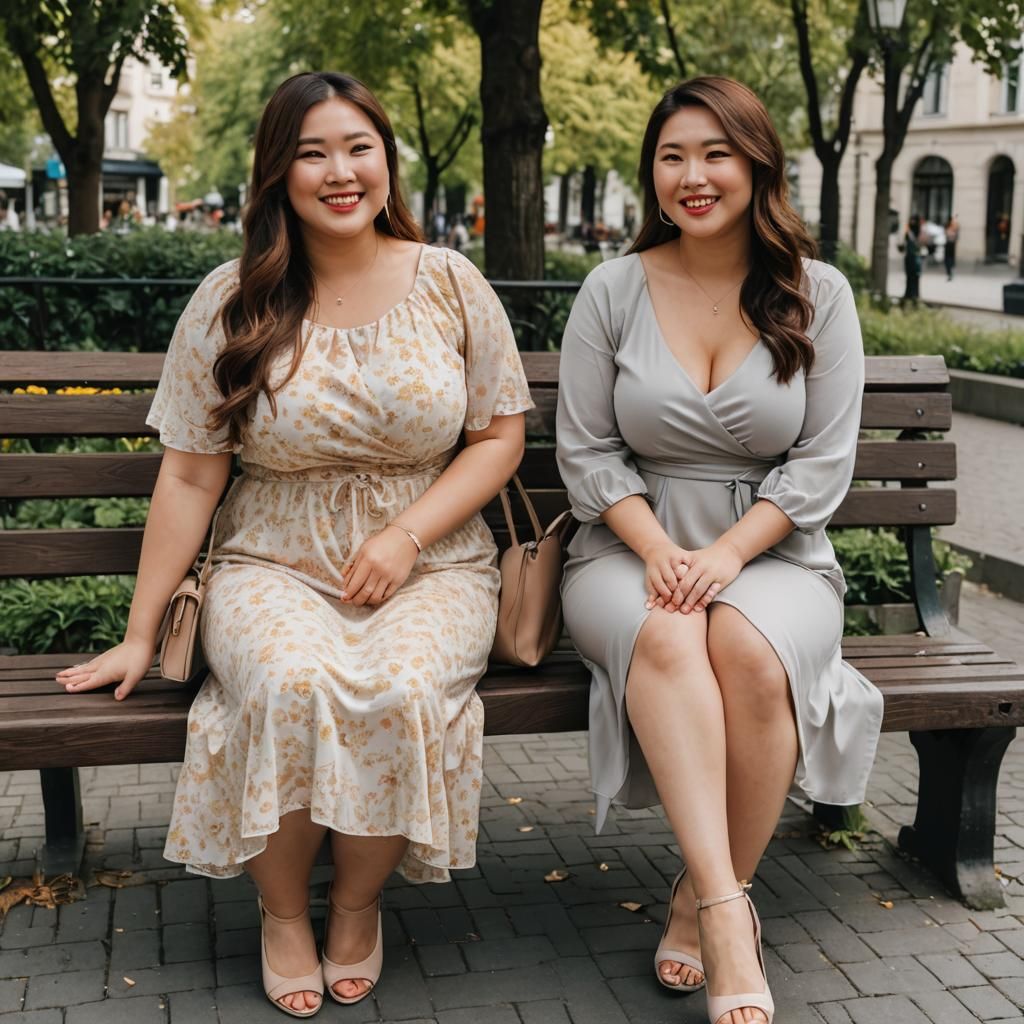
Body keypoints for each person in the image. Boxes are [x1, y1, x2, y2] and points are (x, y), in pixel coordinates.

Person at [57, 70, 533, 1017]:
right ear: (279, 173)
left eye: (358, 147)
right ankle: (282, 914)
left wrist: (406, 534)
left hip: (432, 560)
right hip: (270, 557)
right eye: (312, 153)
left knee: (397, 687)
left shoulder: (450, 282)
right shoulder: (234, 298)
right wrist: (142, 633)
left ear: (386, 160)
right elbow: (191, 474)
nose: (340, 171)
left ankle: (355, 906)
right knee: (287, 683)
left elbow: (499, 438)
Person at [556, 76, 882, 1024]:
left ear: (756, 164)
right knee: (667, 635)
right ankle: (732, 914)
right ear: (651, 171)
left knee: (747, 645)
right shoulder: (611, 288)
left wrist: (731, 555)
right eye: (672, 156)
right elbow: (585, 449)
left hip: (776, 553)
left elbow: (824, 461)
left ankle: (704, 894)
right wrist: (658, 550)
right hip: (626, 548)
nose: (692, 176)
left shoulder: (817, 294)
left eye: (715, 155)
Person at [901, 214, 923, 306]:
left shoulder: (920, 232)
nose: (912, 222)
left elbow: (921, 244)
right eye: (911, 220)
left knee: (915, 277)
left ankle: (914, 295)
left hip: (915, 258)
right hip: (910, 257)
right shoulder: (909, 232)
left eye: (913, 220)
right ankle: (909, 294)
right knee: (909, 277)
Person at [944, 214, 959, 281]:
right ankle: (949, 272)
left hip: (951, 244)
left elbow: (955, 235)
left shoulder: (954, 227)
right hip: (948, 244)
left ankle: (950, 272)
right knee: (947, 259)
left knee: (950, 259)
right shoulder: (947, 227)